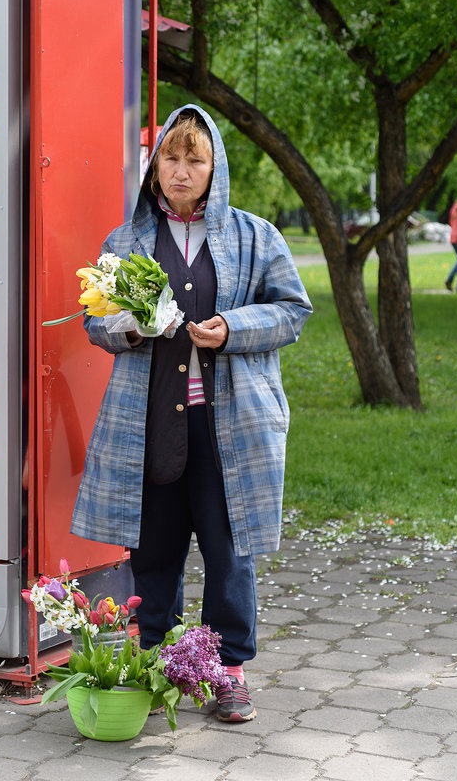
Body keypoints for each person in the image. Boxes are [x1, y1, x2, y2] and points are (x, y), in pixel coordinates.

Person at [71, 105, 312, 724]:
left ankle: (226, 670)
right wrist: (130, 325)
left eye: (194, 160)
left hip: (228, 426)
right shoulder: (124, 242)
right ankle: (155, 666)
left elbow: (292, 310)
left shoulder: (255, 236)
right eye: (169, 159)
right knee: (153, 550)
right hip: (151, 422)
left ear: (215, 168)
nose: (180, 172)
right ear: (154, 169)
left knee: (230, 551)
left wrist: (232, 326)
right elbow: (96, 322)